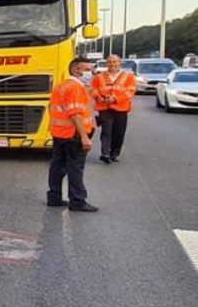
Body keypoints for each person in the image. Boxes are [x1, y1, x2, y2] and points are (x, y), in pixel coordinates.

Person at [47, 57, 98, 212]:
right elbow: (75, 113)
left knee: (57, 165)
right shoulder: (75, 88)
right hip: (73, 133)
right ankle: (77, 201)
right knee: (75, 167)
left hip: (59, 133)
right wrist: (84, 136)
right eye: (89, 70)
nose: (92, 74)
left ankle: (54, 197)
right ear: (77, 70)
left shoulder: (61, 85)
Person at [91, 54, 137, 163]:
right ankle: (105, 153)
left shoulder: (128, 77)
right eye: (110, 62)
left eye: (115, 62)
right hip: (104, 107)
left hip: (121, 108)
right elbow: (93, 89)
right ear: (107, 63)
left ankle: (114, 153)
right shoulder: (99, 77)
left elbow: (130, 91)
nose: (112, 64)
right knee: (106, 131)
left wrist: (116, 99)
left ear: (119, 63)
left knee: (119, 132)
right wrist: (99, 97)